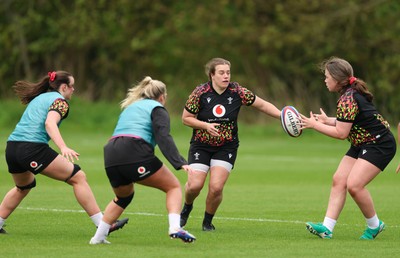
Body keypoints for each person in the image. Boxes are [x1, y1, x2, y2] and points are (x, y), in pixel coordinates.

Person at [0, 71, 128, 235]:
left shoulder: (40, 97)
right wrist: (63, 147)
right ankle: (103, 224)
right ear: (64, 87)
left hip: (12, 148)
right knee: (78, 177)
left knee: (23, 186)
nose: (73, 90)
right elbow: (50, 123)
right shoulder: (60, 102)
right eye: (72, 86)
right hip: (31, 149)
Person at [89, 76, 196, 244]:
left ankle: (98, 238)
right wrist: (180, 162)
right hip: (133, 150)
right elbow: (163, 137)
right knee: (173, 186)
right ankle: (175, 227)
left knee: (123, 197)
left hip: (111, 152)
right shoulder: (158, 108)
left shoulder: (130, 107)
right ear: (162, 97)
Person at [180, 57, 281, 231]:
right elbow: (185, 118)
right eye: (221, 73)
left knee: (216, 187)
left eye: (228, 72)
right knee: (195, 185)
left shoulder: (237, 91)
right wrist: (205, 126)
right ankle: (187, 207)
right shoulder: (200, 93)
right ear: (212, 75)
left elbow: (263, 105)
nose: (226, 76)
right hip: (201, 145)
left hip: (226, 146)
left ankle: (207, 222)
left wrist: (283, 116)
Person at [301, 57, 396, 240]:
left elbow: (341, 133)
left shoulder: (348, 98)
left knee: (355, 185)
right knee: (339, 180)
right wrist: (328, 120)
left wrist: (314, 125)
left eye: (327, 76)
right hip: (362, 141)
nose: (325, 80)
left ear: (337, 79)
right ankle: (327, 228)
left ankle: (375, 226)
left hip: (379, 144)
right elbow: (352, 121)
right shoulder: (349, 94)